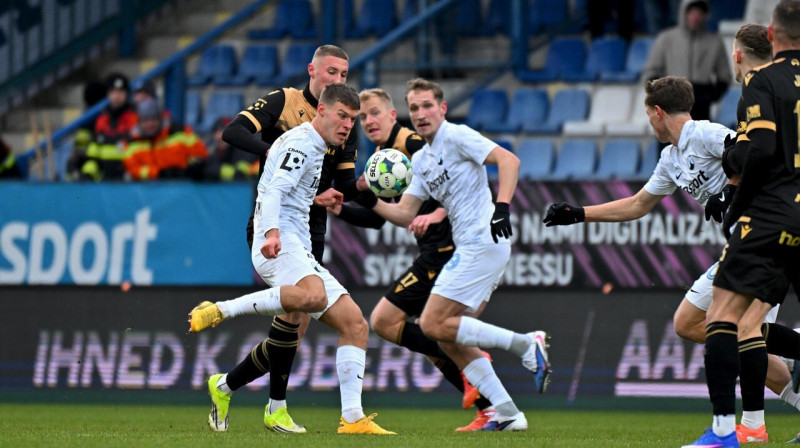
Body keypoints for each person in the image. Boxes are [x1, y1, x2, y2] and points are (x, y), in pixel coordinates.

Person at [544, 73, 800, 444]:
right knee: (692, 322)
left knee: (736, 329)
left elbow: (754, 157)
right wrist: (579, 213)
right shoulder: (670, 158)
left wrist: (730, 192)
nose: (649, 120)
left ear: (658, 111)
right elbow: (637, 204)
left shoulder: (706, 133)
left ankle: (746, 427)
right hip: (739, 247)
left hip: (761, 238)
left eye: (648, 113)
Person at [187, 82, 395, 435]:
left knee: (355, 325)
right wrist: (271, 232)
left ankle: (352, 419)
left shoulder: (317, 144)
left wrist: (320, 197)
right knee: (311, 297)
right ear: (322, 111)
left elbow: (292, 187)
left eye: (352, 119)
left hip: (298, 243)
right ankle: (221, 310)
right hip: (282, 241)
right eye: (341, 116)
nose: (347, 125)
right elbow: (274, 191)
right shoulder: (301, 143)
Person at [357, 78, 551, 432]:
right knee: (449, 336)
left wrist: (503, 206)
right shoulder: (421, 159)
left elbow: (508, 160)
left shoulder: (457, 135)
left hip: (483, 239)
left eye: (427, 105)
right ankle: (507, 412)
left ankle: (526, 345)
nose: (420, 114)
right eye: (414, 108)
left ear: (442, 108)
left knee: (431, 324)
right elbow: (404, 214)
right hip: (473, 246)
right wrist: (369, 198)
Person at [329, 88, 494, 431]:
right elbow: (378, 219)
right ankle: (488, 407)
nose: (368, 121)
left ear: (393, 115)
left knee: (386, 322)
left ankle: (475, 367)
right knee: (432, 343)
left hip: (447, 247)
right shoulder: (382, 156)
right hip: (433, 250)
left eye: (374, 113)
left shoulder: (413, 143)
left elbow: (462, 178)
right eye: (362, 117)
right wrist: (341, 208)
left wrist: (438, 214)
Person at [216, 44, 360, 433]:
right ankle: (274, 406)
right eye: (332, 72)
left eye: (345, 74)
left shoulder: (344, 119)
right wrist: (276, 151)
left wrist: (372, 186)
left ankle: (227, 385)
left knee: (294, 329)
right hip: (276, 222)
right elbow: (234, 132)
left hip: (310, 229)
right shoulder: (287, 103)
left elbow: (346, 184)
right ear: (312, 70)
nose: (338, 80)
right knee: (299, 312)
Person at [688, 1, 800, 446]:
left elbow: (762, 148)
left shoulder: (762, 80)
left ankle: (723, 432)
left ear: (771, 35)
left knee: (723, 315)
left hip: (775, 214)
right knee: (753, 322)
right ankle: (753, 427)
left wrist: (735, 206)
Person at [642, 0, 731, 120]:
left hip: (701, 106)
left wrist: (711, 95)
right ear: (683, 13)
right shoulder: (666, 39)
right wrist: (662, 96)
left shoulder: (714, 42)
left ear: (706, 16)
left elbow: (724, 75)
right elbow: (651, 72)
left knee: (698, 138)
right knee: (672, 138)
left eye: (699, 13)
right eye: (692, 13)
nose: (695, 17)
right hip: (670, 106)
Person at [122, 99, 207, 180]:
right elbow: (132, 169)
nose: (150, 124)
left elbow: (200, 154)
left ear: (160, 119)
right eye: (146, 120)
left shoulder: (180, 132)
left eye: (154, 119)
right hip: (148, 189)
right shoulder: (132, 142)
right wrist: (158, 173)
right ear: (139, 122)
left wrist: (188, 170)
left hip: (181, 186)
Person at [80, 73, 138, 181]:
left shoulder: (135, 118)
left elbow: (140, 151)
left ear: (127, 94)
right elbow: (94, 154)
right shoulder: (101, 120)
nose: (116, 96)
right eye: (113, 92)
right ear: (108, 94)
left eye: (120, 92)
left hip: (130, 182)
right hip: (105, 183)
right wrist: (88, 174)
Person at [204, 117, 259, 182]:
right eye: (217, 131)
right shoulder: (214, 155)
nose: (219, 136)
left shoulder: (247, 152)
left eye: (224, 131)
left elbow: (244, 174)